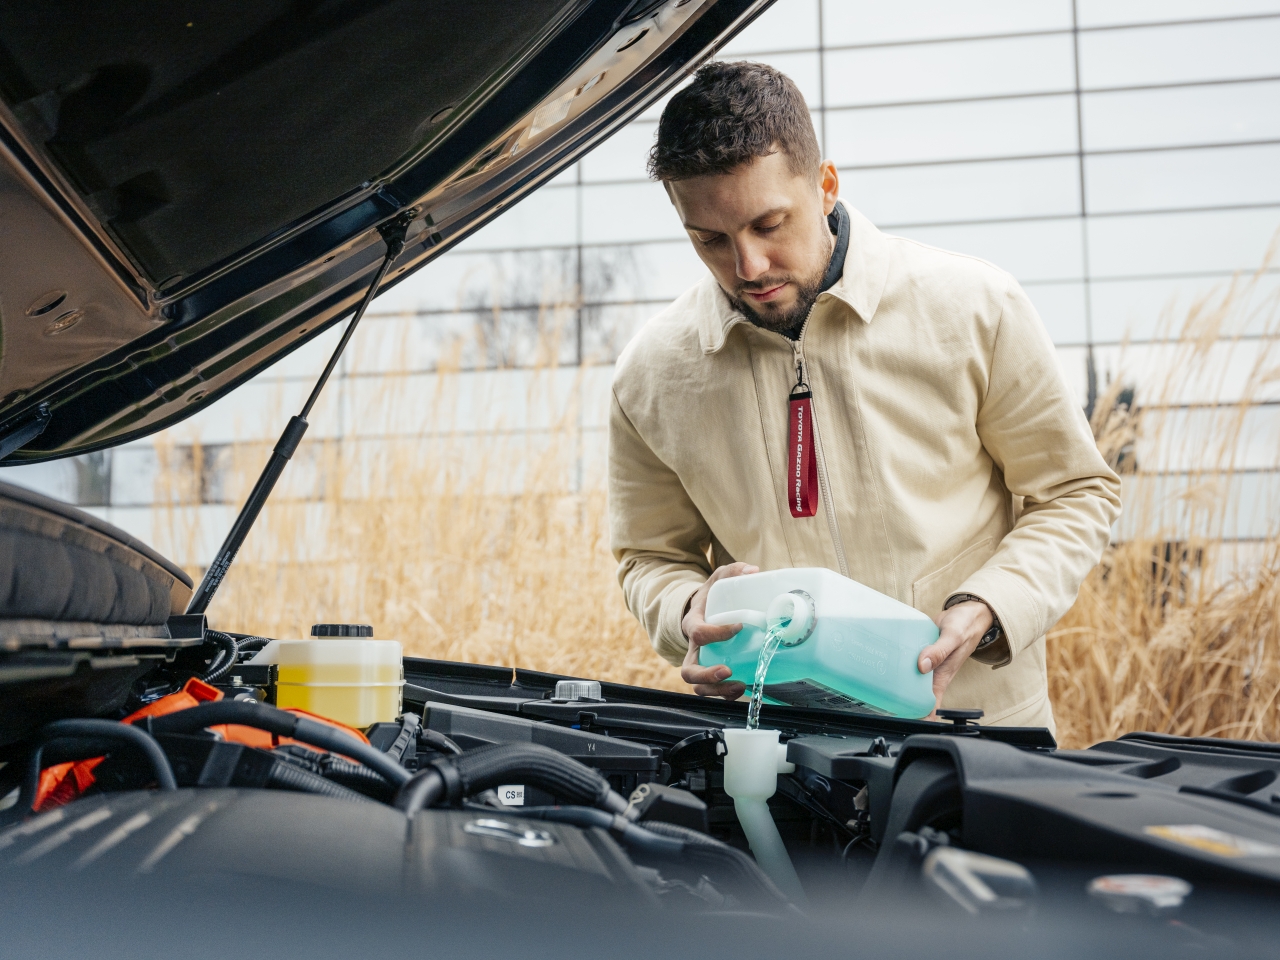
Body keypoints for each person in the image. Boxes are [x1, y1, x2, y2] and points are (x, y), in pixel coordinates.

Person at [607, 61, 1121, 731]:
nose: (747, 268)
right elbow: (649, 557)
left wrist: (989, 607)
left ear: (824, 187)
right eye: (710, 240)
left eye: (768, 225)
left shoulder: (973, 307)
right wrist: (686, 614)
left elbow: (1076, 493)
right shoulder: (652, 374)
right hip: (783, 749)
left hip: (980, 731)